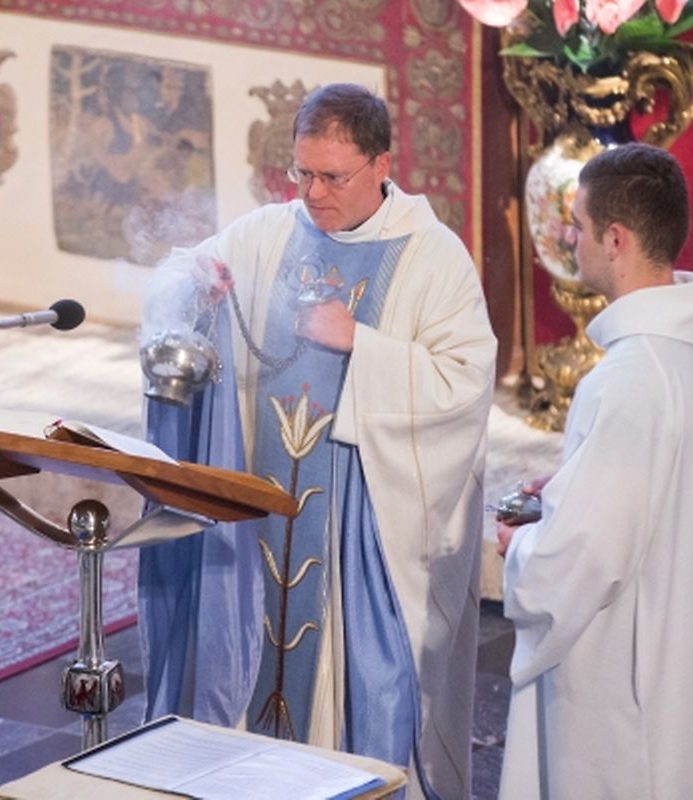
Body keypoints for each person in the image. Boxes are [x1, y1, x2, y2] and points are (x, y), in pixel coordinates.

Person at [139, 83, 497, 799]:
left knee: (354, 706)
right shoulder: (267, 234)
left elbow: (464, 383)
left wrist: (361, 342)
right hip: (261, 528)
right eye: (302, 172)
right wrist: (195, 289)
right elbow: (174, 279)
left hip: (359, 539)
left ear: (381, 165)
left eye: (333, 177)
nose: (312, 193)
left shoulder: (432, 258)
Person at [495, 143, 693, 798]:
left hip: (643, 687)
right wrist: (571, 488)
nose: (569, 239)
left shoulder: (628, 379)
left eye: (577, 225)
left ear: (616, 238)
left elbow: (583, 559)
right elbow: (678, 490)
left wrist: (524, 548)